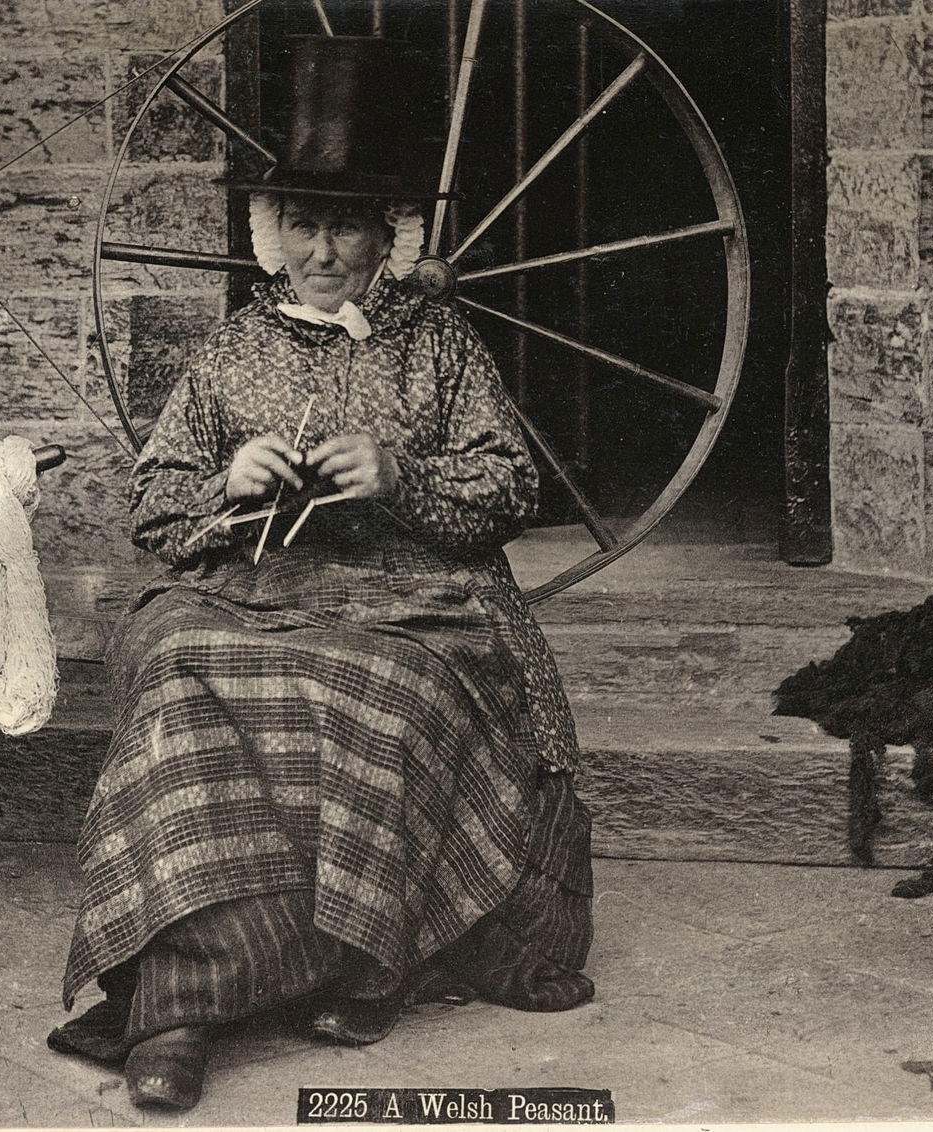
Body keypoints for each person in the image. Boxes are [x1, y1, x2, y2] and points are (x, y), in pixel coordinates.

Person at [48, 36, 594, 1111]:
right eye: (303, 222)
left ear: (388, 235)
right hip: (241, 593)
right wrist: (230, 484)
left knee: (381, 688)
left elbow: (509, 487)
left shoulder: (437, 343)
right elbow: (154, 507)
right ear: (272, 233)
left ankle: (368, 957)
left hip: (413, 595)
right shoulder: (227, 354)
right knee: (178, 675)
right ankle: (180, 1006)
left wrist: (398, 474)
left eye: (346, 224)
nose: (323, 249)